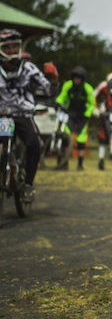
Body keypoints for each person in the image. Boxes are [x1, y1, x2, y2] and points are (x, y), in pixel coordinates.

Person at [0, 29, 55, 202]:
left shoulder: (29, 68)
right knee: (3, 147)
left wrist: (54, 78)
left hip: (23, 115)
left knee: (34, 144)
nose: (12, 50)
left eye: (15, 46)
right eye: (7, 47)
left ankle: (28, 185)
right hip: (3, 117)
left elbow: (50, 90)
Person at [55, 66, 96, 170]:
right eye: (75, 77)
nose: (76, 80)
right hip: (70, 114)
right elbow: (62, 96)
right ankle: (65, 162)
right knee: (66, 136)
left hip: (82, 115)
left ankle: (80, 164)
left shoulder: (87, 88)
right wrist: (57, 103)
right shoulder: (68, 85)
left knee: (81, 139)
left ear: (82, 79)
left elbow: (92, 104)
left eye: (79, 78)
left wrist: (87, 114)